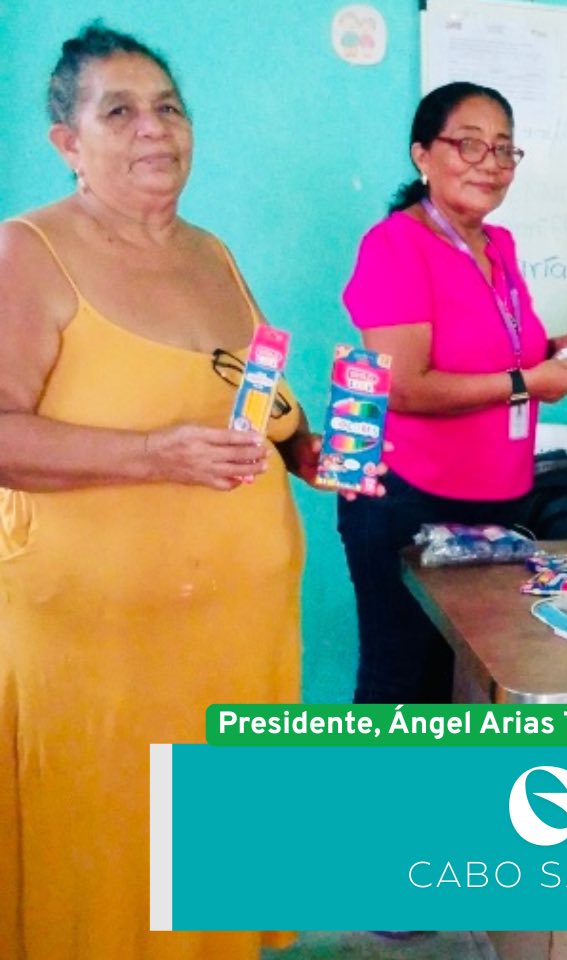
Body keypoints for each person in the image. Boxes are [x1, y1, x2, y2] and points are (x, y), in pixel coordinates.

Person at [0, 23, 348, 959]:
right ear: (67, 143)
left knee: (205, 878)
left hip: (235, 639)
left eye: (168, 107)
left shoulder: (212, 253)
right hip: (103, 651)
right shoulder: (29, 252)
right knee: (106, 867)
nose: (154, 128)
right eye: (119, 111)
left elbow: (254, 397)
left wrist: (308, 450)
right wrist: (152, 454)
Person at [339, 82, 567, 705]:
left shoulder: (497, 245)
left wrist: (555, 349)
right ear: (422, 155)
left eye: (504, 148)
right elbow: (404, 386)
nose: (490, 162)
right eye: (469, 144)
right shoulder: (395, 245)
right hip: (409, 500)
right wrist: (527, 383)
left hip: (498, 501)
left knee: (464, 682)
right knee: (403, 683)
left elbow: (497, 347)